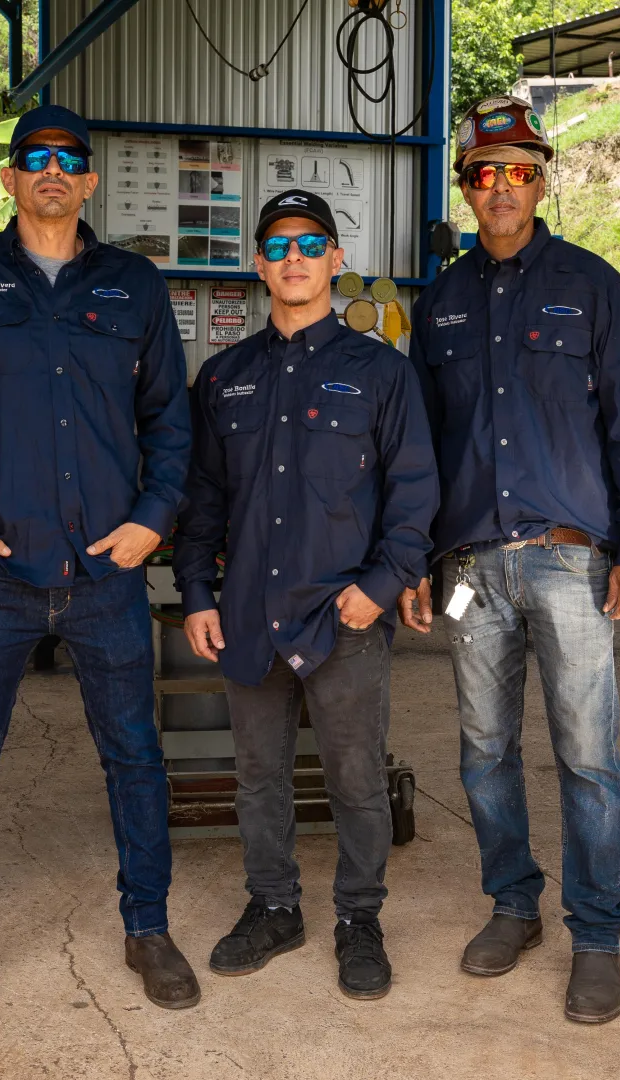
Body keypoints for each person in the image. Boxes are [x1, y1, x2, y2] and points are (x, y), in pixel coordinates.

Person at [0, 103, 197, 1022]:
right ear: (12, 177)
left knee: (136, 759)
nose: (53, 171)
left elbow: (169, 423)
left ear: (90, 180)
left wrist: (153, 520)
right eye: (36, 158)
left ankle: (148, 928)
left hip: (107, 577)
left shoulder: (134, 288)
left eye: (70, 159)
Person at [400, 95, 620, 1023]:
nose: (502, 187)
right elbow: (422, 451)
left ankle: (596, 931)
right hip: (472, 568)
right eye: (485, 172)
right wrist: (414, 561)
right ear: (468, 188)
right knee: (483, 753)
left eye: (520, 170)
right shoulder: (438, 304)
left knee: (588, 757)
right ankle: (514, 905)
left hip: (570, 565)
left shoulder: (593, 286)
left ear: (543, 179)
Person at [173, 190, 438, 1000]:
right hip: (251, 614)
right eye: (279, 245)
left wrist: (381, 587)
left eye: (311, 243)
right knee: (260, 776)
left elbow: (415, 493)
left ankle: (360, 918)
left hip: (344, 618)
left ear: (334, 260)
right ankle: (274, 905)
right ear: (259, 264)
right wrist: (196, 593)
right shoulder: (224, 377)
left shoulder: (381, 373)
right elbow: (203, 499)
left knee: (356, 781)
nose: (294, 258)